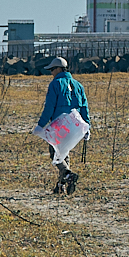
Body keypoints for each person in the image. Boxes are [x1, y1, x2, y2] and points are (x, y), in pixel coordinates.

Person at [37, 56, 91, 194]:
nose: (51, 72)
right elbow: (84, 106)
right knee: (64, 152)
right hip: (76, 126)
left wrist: (40, 125)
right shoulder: (78, 85)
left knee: (55, 154)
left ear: (59, 69)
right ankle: (61, 186)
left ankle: (67, 174)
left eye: (52, 69)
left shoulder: (55, 84)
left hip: (59, 126)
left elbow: (49, 107)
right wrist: (87, 126)